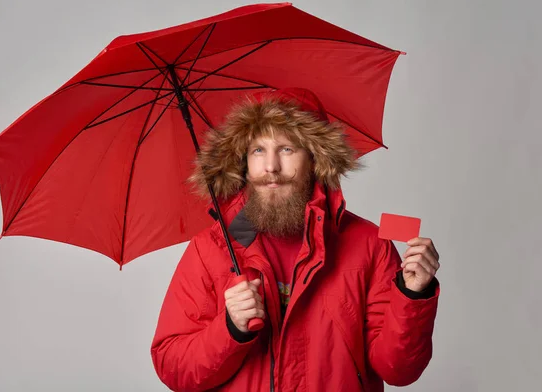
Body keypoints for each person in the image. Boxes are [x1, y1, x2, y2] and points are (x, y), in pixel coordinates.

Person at [150, 87, 441, 391]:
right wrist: (231, 328)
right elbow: (173, 367)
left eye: (287, 149)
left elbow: (398, 370)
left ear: (316, 158)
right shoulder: (214, 248)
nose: (271, 167)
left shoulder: (368, 244)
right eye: (258, 150)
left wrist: (413, 294)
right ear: (243, 163)